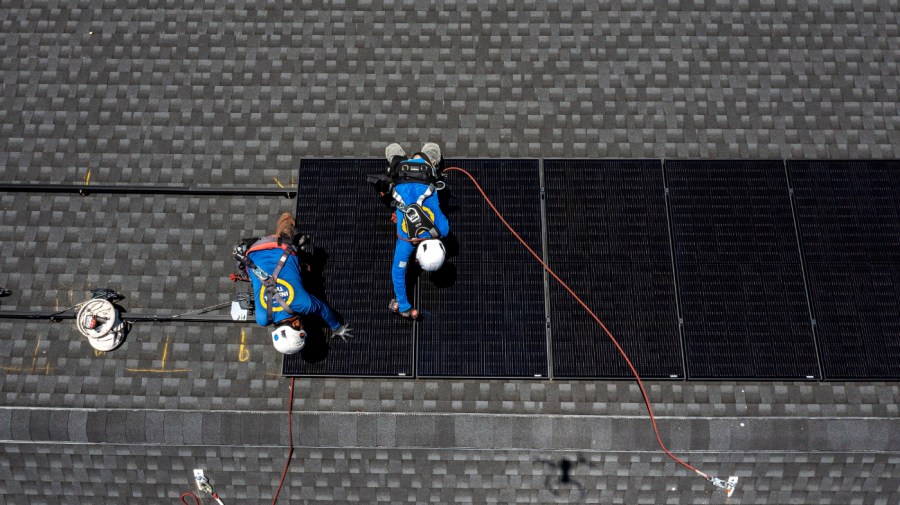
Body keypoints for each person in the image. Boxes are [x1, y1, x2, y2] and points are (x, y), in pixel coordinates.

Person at [236, 212, 352, 353]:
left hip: (281, 246)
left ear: (296, 323)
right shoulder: (262, 319)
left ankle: (292, 229)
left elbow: (324, 310)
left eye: (301, 328)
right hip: (251, 252)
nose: (303, 326)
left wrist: (338, 328)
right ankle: (286, 223)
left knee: (306, 270)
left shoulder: (304, 304)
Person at [382, 142, 450, 319]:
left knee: (432, 147)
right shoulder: (405, 240)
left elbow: (399, 273)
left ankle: (423, 155)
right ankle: (397, 155)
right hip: (400, 172)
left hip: (424, 168)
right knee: (392, 149)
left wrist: (405, 305)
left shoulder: (443, 230)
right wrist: (403, 306)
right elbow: (397, 272)